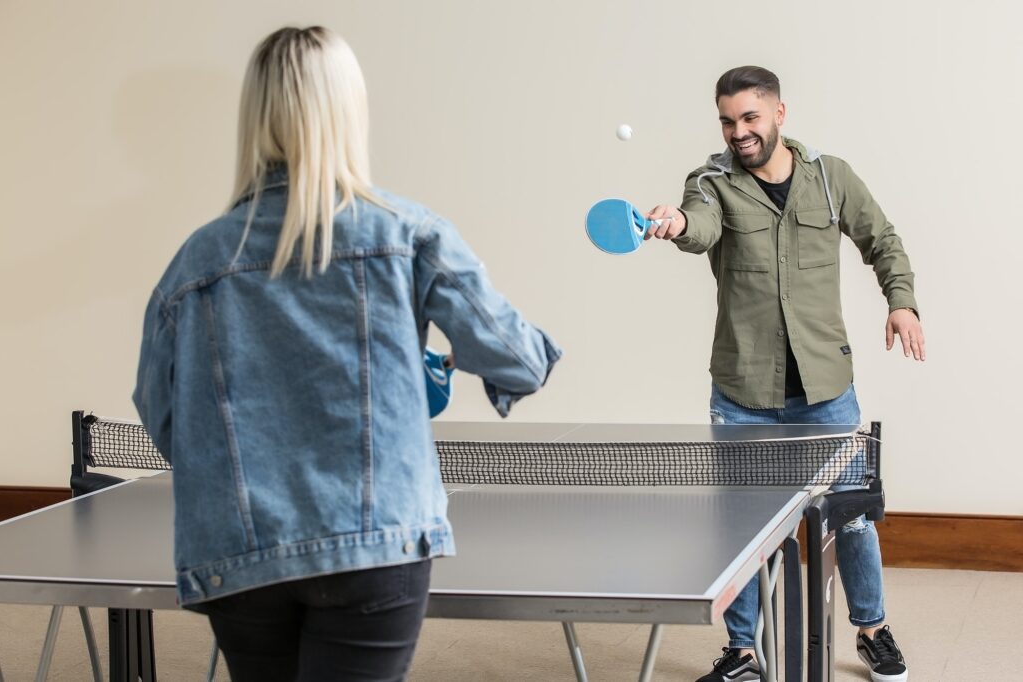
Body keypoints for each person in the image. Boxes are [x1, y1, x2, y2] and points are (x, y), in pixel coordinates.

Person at [132, 26, 560, 682]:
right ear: (348, 111)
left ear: (256, 118)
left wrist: (238, 467)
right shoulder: (409, 233)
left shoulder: (196, 260)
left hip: (238, 549)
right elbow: (518, 362)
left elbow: (161, 413)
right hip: (375, 544)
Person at [645, 66, 922, 682]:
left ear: (779, 114)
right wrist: (678, 223)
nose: (738, 132)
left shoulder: (830, 178)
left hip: (825, 390)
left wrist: (900, 301)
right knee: (741, 528)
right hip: (743, 392)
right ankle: (743, 651)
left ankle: (873, 630)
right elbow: (700, 227)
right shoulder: (710, 183)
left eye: (749, 118)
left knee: (849, 516)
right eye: (727, 120)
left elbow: (883, 240)